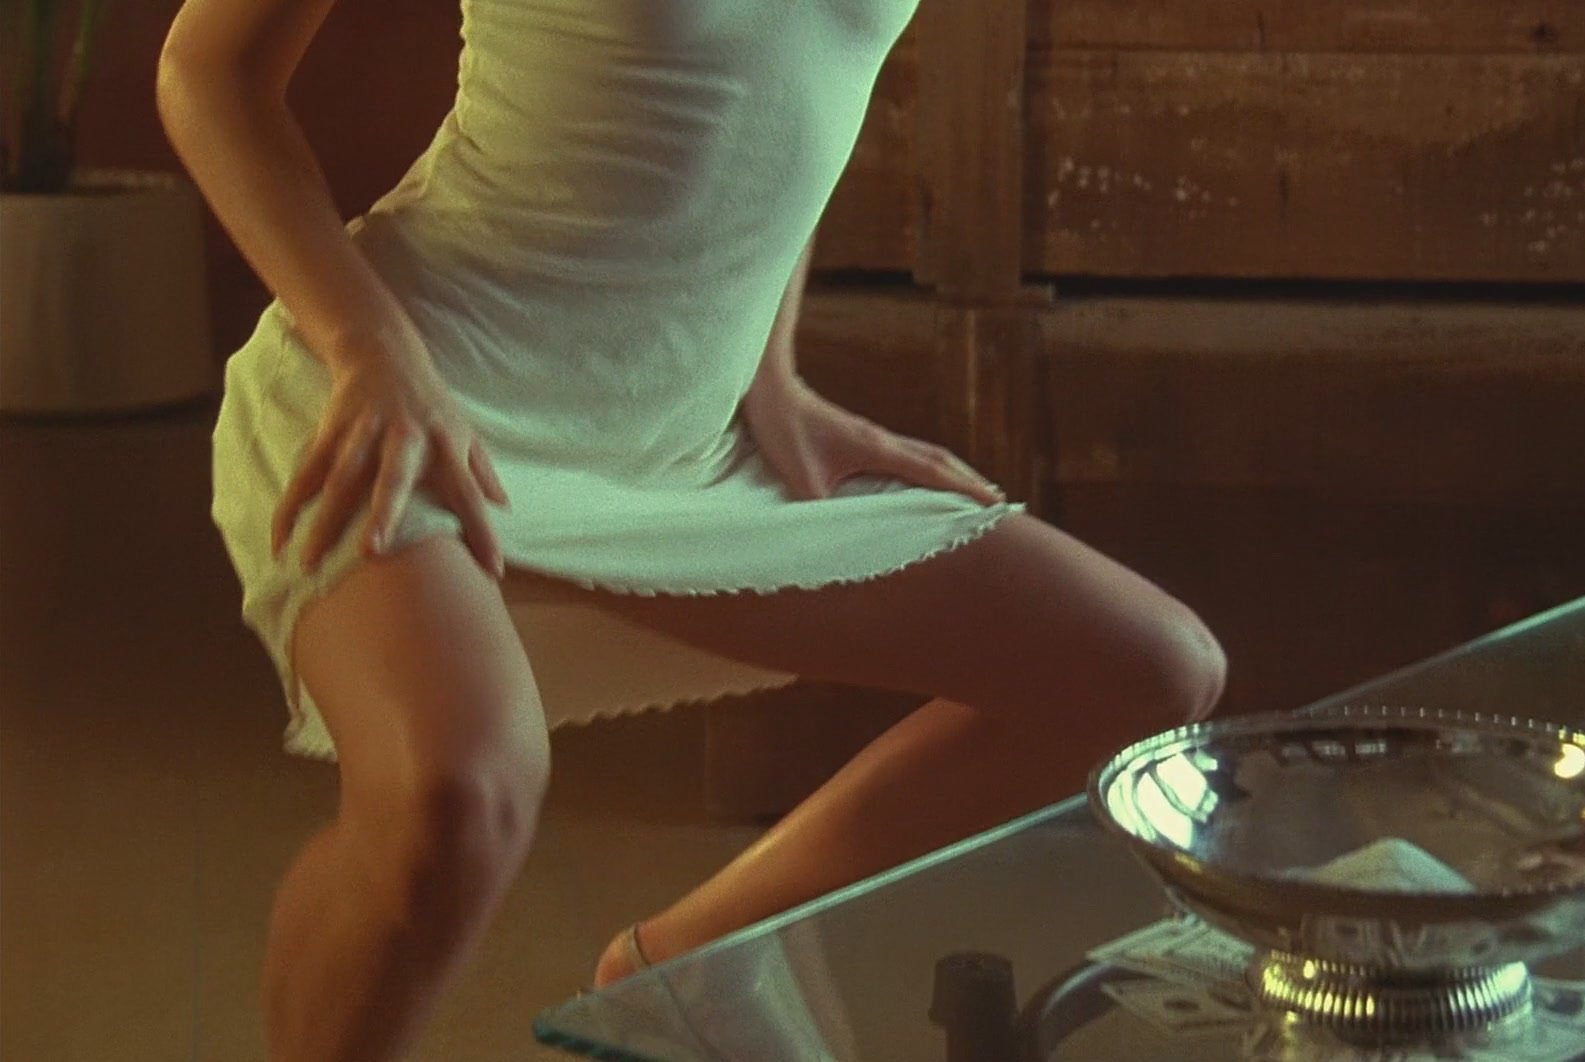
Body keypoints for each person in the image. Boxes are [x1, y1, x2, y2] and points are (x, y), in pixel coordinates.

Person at [156, 0, 1228, 1058]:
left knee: (1145, 672)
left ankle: (690, 966)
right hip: (415, 396)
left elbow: (786, 88)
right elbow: (209, 73)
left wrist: (772, 375)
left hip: (684, 442)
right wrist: (368, 347)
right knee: (460, 794)